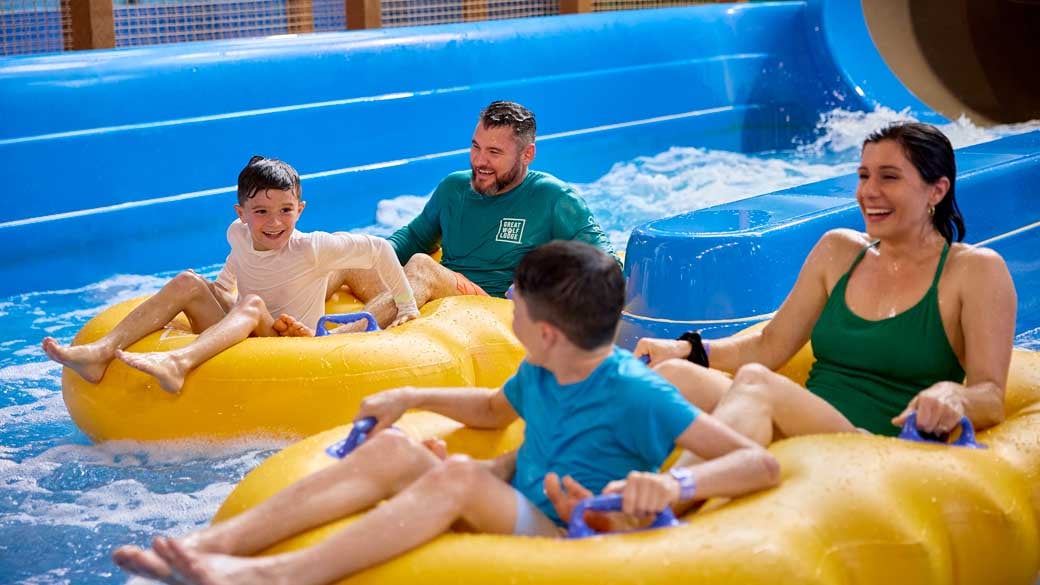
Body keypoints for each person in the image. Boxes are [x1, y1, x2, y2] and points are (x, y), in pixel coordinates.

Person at [111, 240, 780, 585]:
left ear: (548, 330)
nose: (507, 305)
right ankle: (208, 546)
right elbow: (492, 409)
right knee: (399, 450)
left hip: (569, 528)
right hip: (522, 494)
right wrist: (409, 397)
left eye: (516, 300)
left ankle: (275, 575)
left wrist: (677, 483)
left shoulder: (637, 390)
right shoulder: (543, 367)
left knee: (455, 479)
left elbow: (757, 461)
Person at [635, 122, 1015, 446]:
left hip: (874, 446)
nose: (869, 191)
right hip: (808, 427)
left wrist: (955, 395)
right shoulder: (839, 251)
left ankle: (671, 496)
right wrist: (685, 349)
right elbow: (768, 346)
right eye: (864, 175)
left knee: (756, 383)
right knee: (672, 377)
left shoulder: (974, 271)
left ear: (937, 190)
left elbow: (991, 396)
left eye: (889, 177)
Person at [41, 156, 420, 393]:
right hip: (247, 325)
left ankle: (178, 362)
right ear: (240, 213)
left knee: (252, 303)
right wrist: (221, 290)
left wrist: (405, 305)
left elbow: (380, 249)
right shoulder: (236, 232)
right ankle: (100, 352)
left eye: (286, 211)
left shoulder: (312, 247)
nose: (274, 223)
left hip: (289, 340)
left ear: (300, 209)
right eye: (261, 213)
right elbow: (238, 260)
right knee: (189, 280)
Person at [274, 100, 620, 336]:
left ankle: (332, 342)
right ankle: (280, 319)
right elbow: (403, 243)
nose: (480, 161)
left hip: (491, 310)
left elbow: (607, 266)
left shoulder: (554, 198)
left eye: (494, 152)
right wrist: (352, 256)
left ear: (527, 154)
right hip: (439, 300)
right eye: (476, 147)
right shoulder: (454, 189)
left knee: (423, 266)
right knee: (352, 250)